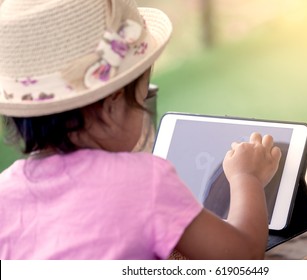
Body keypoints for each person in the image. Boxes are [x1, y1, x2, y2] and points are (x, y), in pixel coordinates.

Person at [0, 0, 281, 260]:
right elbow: (241, 254)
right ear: (113, 104)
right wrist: (247, 177)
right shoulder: (144, 181)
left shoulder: (5, 193)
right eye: (143, 95)